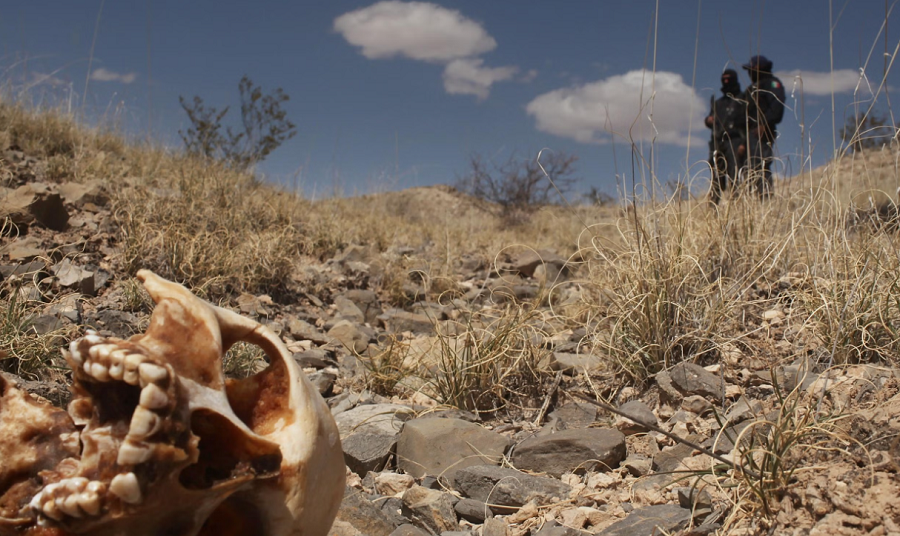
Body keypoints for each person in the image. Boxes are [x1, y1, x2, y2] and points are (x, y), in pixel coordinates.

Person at [742, 55, 785, 198]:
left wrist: (764, 124)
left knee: (760, 165)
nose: (749, 72)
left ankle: (765, 201)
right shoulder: (750, 89)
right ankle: (751, 203)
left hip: (761, 133)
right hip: (747, 135)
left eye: (752, 69)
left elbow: (777, 107)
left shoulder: (772, 84)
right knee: (747, 169)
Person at [704, 69, 747, 204]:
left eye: (729, 79)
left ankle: (736, 204)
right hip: (717, 142)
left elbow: (749, 124)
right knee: (716, 174)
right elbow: (710, 120)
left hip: (735, 140)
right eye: (724, 79)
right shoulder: (718, 103)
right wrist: (709, 120)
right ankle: (714, 206)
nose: (726, 82)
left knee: (735, 173)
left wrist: (744, 144)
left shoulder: (743, 100)